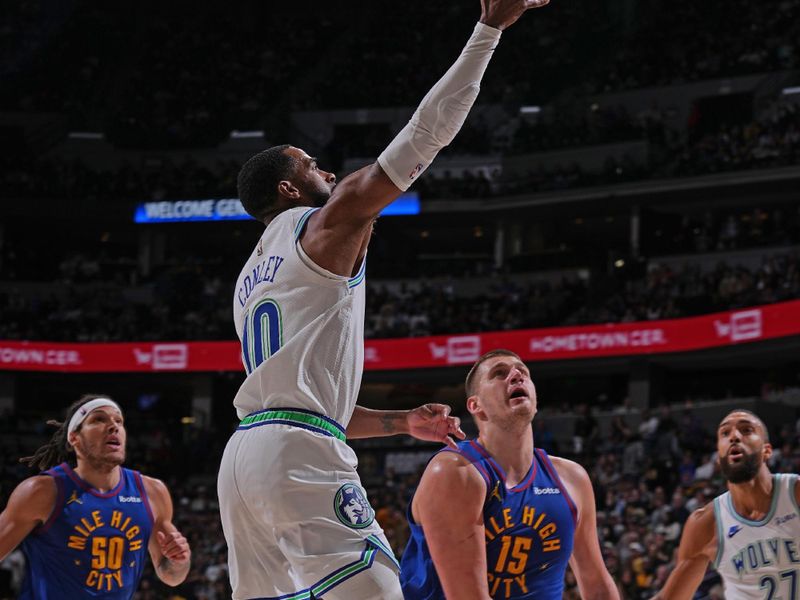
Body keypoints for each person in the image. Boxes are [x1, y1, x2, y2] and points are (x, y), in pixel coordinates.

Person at [216, 0, 551, 597]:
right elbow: (426, 134)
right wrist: (487, 32)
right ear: (290, 188)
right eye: (312, 165)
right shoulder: (323, 225)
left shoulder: (249, 276)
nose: (326, 172)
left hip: (244, 457)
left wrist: (400, 421)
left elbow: (304, 398)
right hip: (297, 453)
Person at [400, 349, 619, 599]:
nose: (516, 375)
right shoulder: (456, 471)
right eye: (499, 374)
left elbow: (597, 585)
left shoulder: (572, 478)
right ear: (476, 405)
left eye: (522, 372)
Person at [0, 394, 191, 599]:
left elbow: (171, 576)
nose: (113, 426)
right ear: (74, 438)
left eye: (119, 421)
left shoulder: (152, 491)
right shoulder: (42, 491)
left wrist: (179, 561)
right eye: (99, 419)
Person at [652, 409, 800, 599]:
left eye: (746, 430)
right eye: (725, 433)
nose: (734, 437)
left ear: (767, 450)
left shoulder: (794, 493)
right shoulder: (705, 523)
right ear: (719, 456)